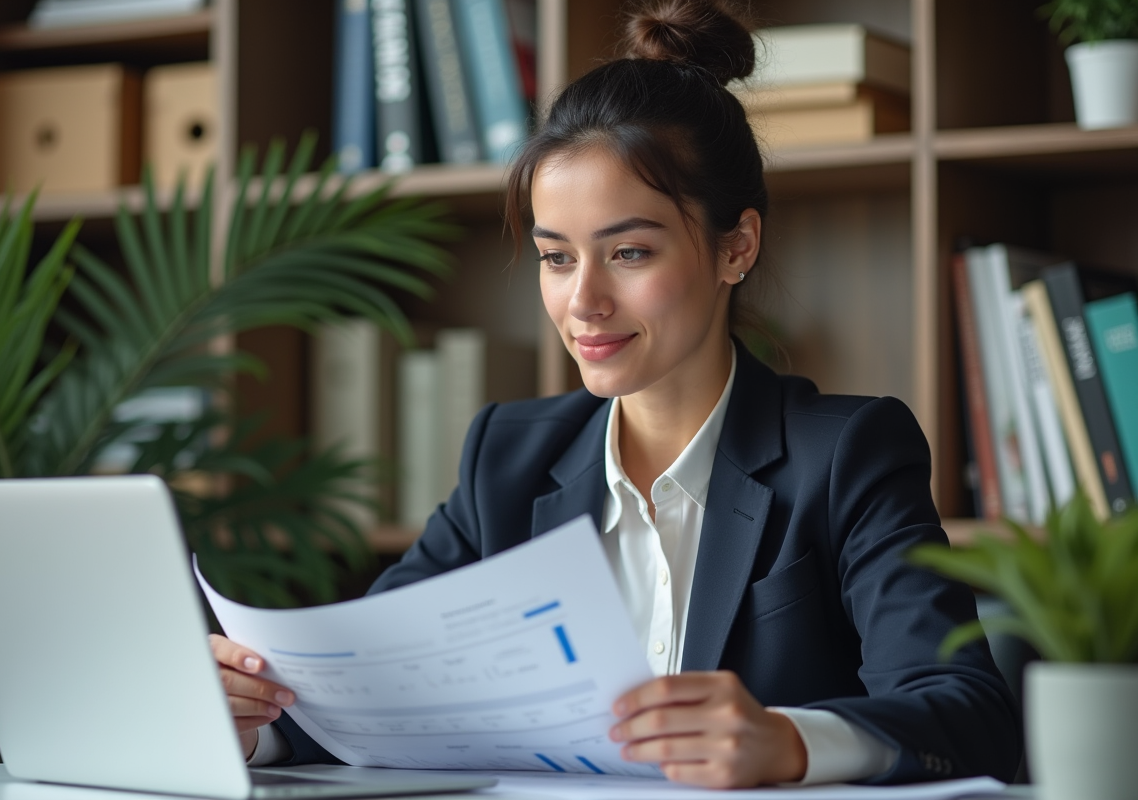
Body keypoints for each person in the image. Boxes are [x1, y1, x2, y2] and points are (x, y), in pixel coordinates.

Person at [209, 0, 1021, 788]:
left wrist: (788, 741)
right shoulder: (508, 459)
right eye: (556, 257)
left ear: (735, 247)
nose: (583, 301)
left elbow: (968, 714)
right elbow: (374, 690)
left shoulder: (846, 454)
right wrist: (253, 718)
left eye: (628, 254)